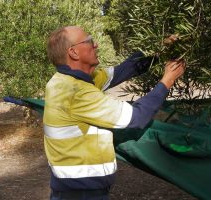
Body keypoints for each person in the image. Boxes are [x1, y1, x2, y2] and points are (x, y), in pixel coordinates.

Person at [44, 26, 186, 200]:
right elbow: (136, 117)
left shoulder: (66, 81)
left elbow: (124, 70)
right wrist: (167, 81)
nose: (96, 45)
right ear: (73, 52)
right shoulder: (76, 92)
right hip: (81, 193)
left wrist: (159, 50)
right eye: (88, 41)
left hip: (74, 189)